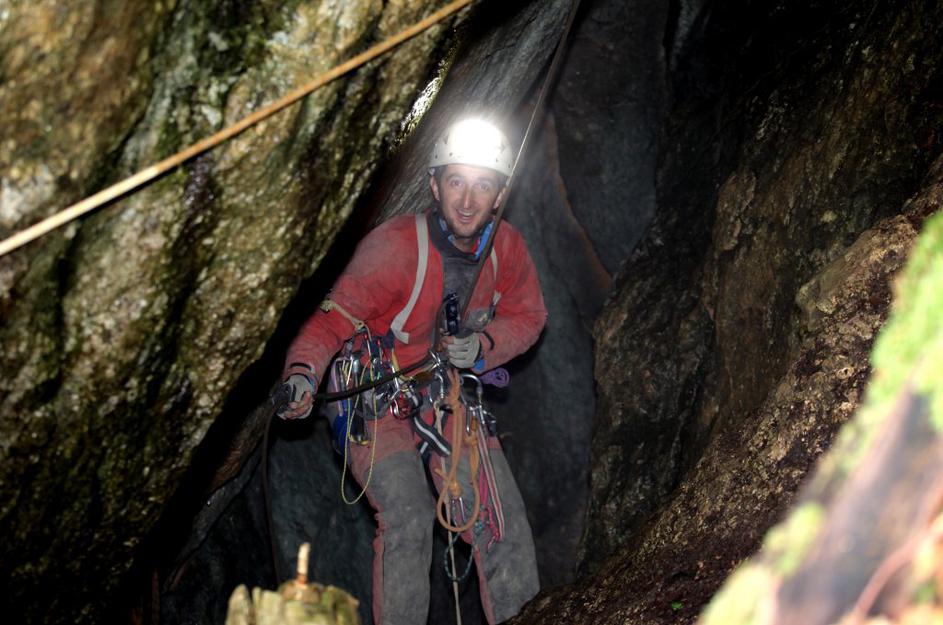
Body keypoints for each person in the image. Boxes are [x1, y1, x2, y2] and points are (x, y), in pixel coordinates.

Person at [280, 118, 546, 625]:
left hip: (445, 395)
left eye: (482, 185)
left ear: (500, 193)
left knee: (500, 520)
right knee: (408, 514)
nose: (467, 200)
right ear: (434, 185)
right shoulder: (396, 247)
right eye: (456, 182)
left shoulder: (505, 250)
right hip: (375, 398)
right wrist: (302, 374)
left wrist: (485, 345)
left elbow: (530, 315)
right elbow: (331, 320)